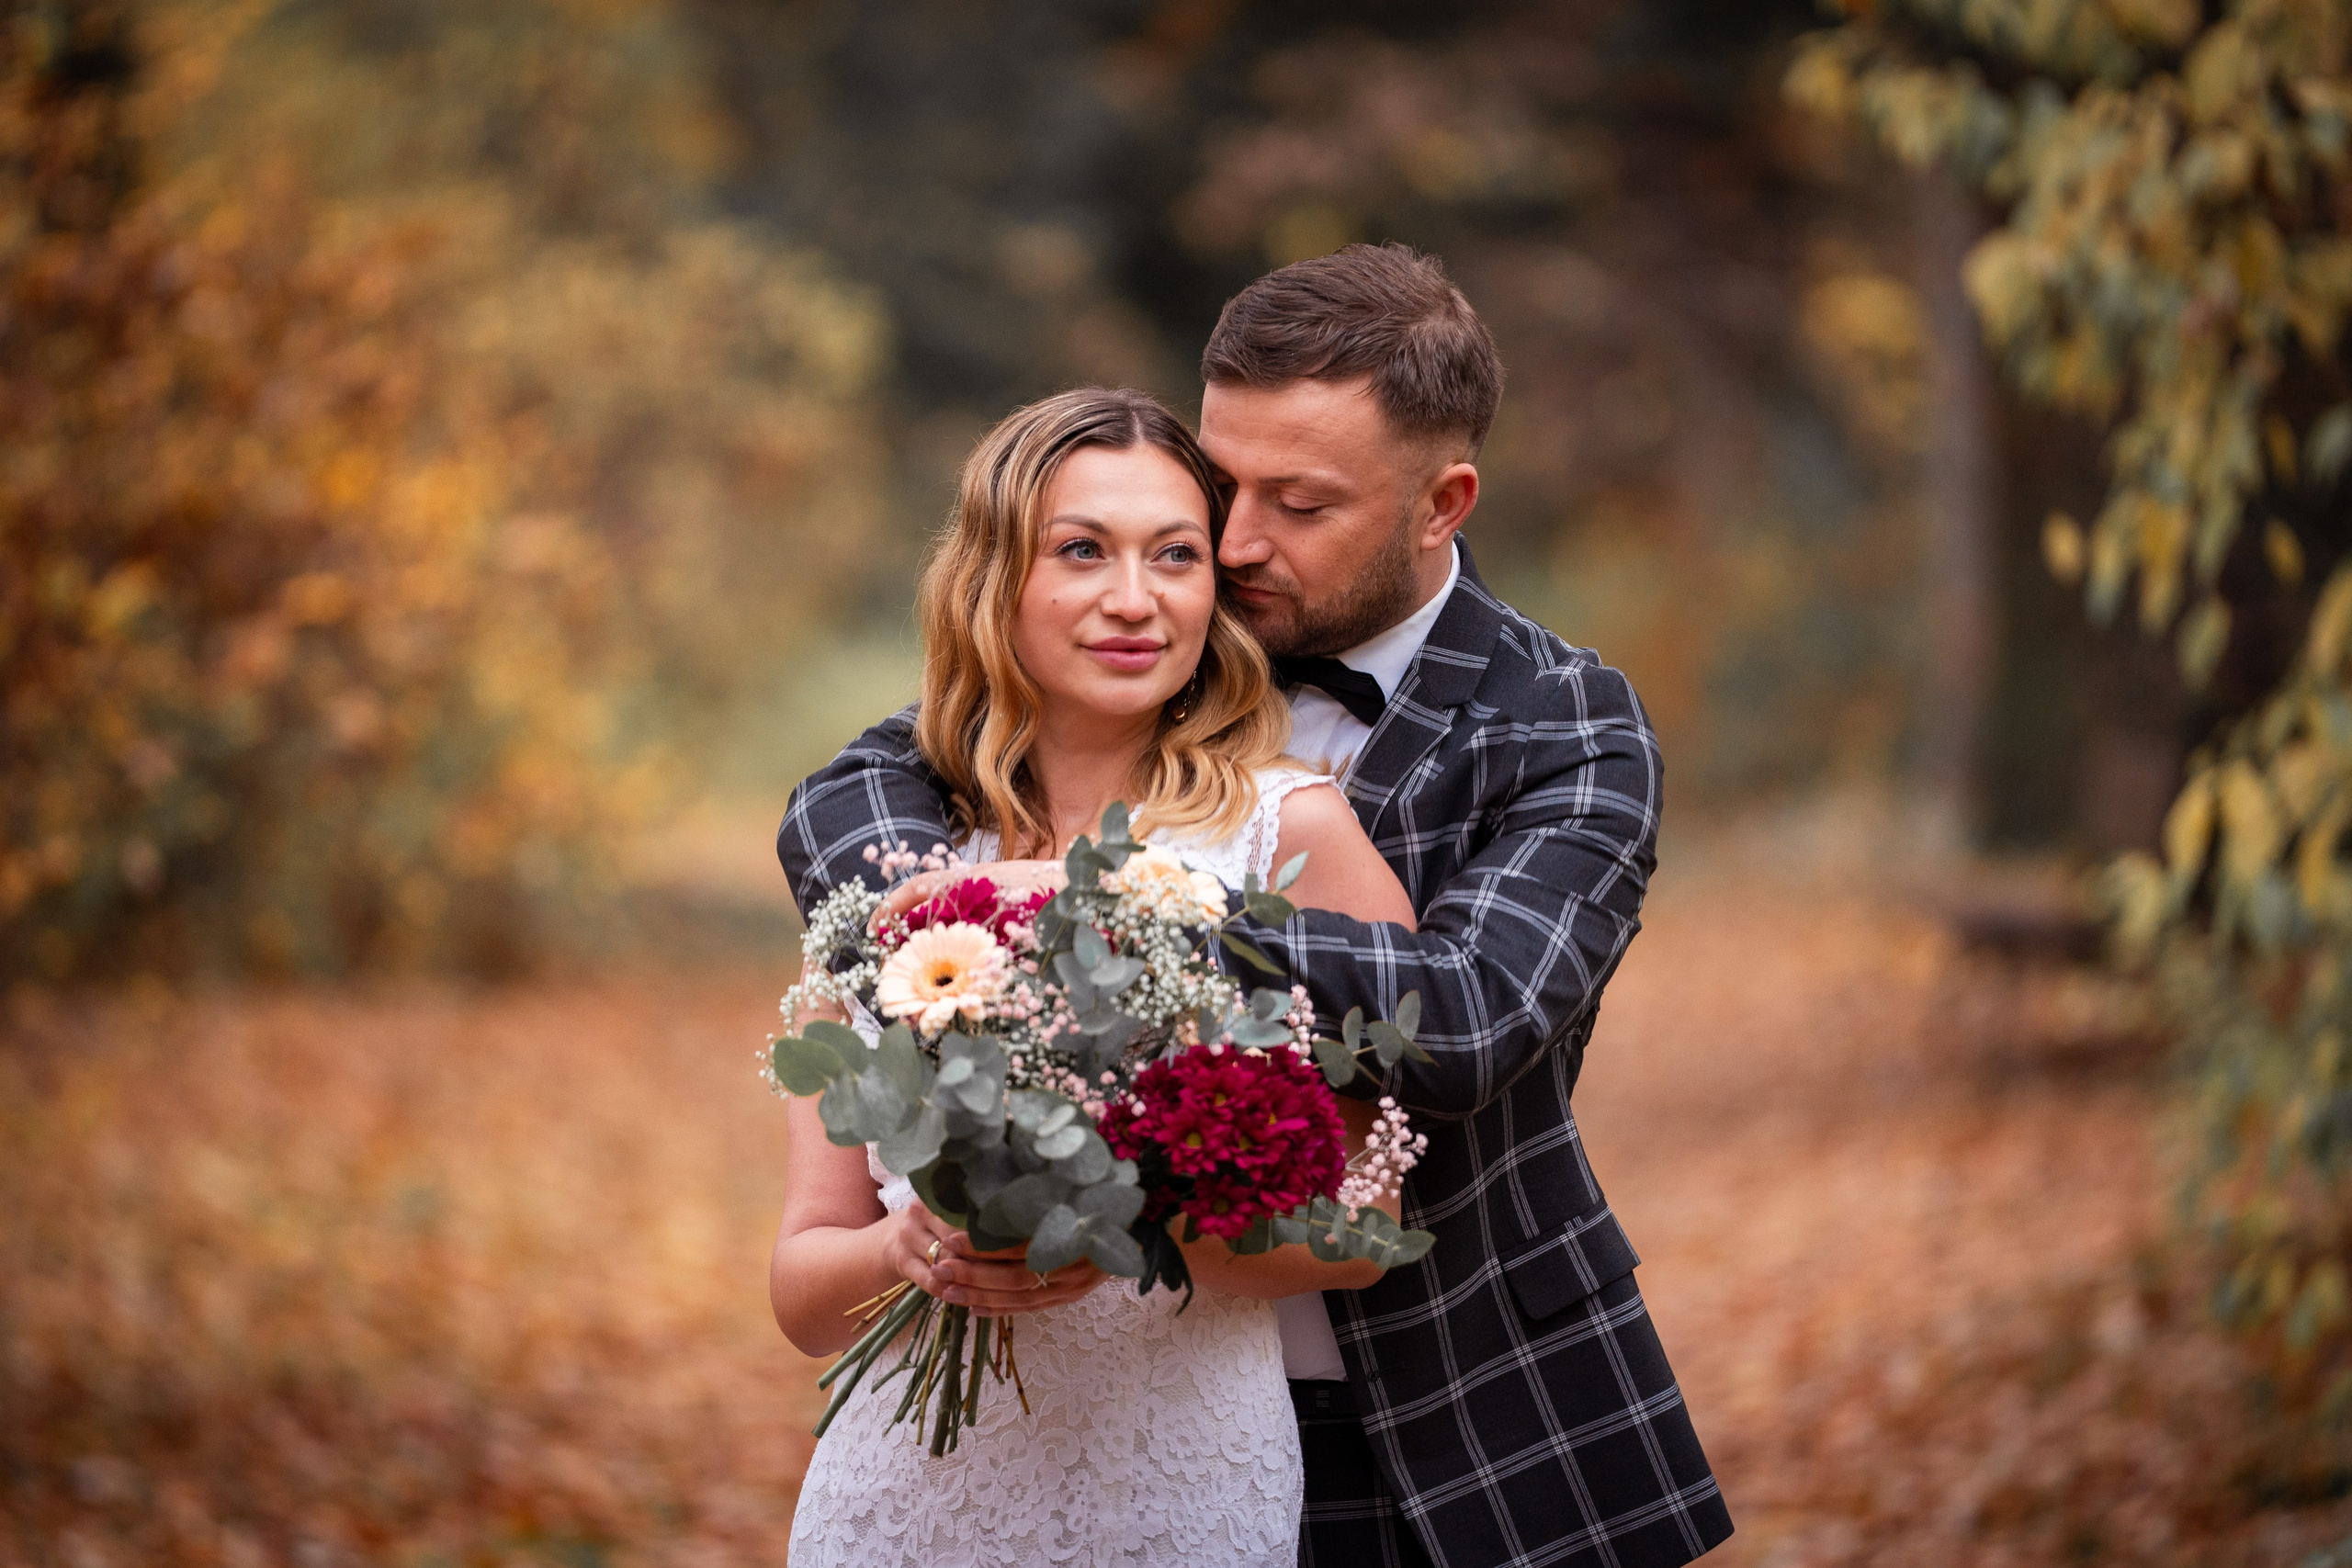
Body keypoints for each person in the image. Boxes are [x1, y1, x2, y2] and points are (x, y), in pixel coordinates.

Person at [781, 244, 1733, 1568]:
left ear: (1441, 501)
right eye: (1221, 487)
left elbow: (1461, 1014)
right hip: (1076, 1400)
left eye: (1297, 502)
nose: (1231, 544)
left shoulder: (1564, 725)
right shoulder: (1160, 637)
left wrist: (1122, 910)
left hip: (1447, 1400)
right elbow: (864, 793)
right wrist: (945, 933)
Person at [774, 386, 1421, 1567]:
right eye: (1082, 552)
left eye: (1175, 555)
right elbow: (803, 1286)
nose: (1136, 599)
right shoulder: (892, 856)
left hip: (1174, 1497)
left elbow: (1367, 1230)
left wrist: (1115, 1212)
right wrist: (903, 1253)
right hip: (901, 1503)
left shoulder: (1292, 838)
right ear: (995, 579)